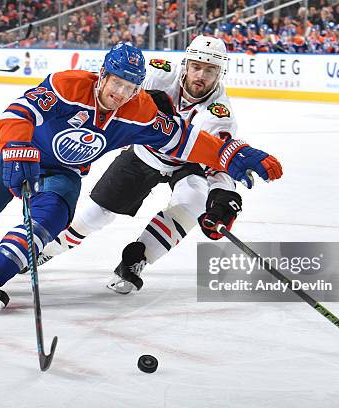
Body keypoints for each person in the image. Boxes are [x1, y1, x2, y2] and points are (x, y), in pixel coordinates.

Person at [0, 43, 283, 314]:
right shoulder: (68, 84)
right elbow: (18, 112)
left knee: (49, 220)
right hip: (11, 153)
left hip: (61, 171)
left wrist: (236, 155)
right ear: (102, 75)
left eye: (130, 87)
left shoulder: (138, 110)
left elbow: (187, 142)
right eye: (115, 83)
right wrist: (17, 148)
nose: (120, 94)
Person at [38, 36, 271, 294]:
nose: (200, 75)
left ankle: (136, 259)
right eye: (196, 66)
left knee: (194, 198)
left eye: (210, 69)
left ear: (221, 72)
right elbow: (109, 87)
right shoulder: (157, 75)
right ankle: (47, 250)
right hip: (145, 152)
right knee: (94, 216)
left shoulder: (220, 114)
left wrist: (222, 196)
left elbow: (219, 160)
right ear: (185, 64)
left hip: (187, 162)